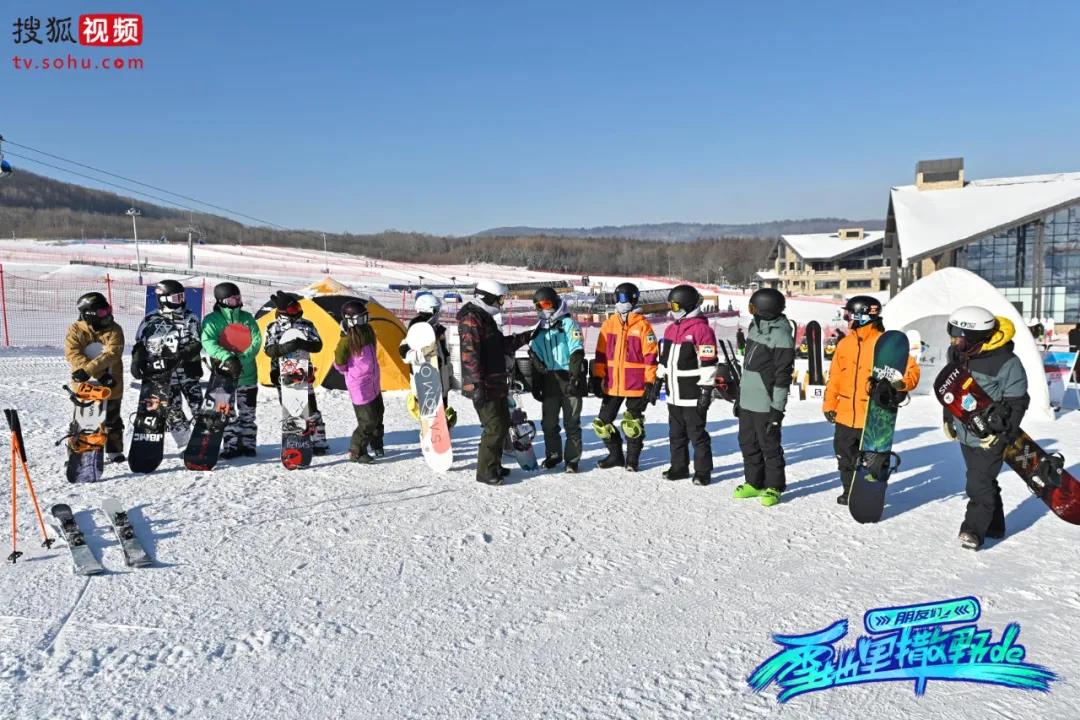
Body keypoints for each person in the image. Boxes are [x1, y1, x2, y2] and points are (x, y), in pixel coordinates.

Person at [943, 307, 1029, 550]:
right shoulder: (957, 354)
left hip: (991, 435)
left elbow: (1018, 402)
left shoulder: (1006, 362)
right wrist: (948, 419)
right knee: (984, 480)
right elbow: (951, 388)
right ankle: (995, 525)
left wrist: (1002, 435)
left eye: (959, 336)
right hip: (966, 432)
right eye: (953, 335)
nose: (954, 341)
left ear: (976, 336)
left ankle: (973, 530)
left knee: (977, 484)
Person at [823, 296, 921, 504]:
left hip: (873, 414)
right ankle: (849, 490)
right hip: (845, 414)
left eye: (849, 314)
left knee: (871, 460)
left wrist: (900, 385)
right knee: (844, 455)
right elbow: (835, 378)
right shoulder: (844, 344)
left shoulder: (886, 344)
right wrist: (829, 404)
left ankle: (870, 490)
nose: (847, 319)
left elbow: (911, 371)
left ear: (862, 315)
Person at [457, 279, 533, 485]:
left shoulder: (485, 318)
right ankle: (485, 472)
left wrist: (526, 336)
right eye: (500, 299)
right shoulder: (471, 319)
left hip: (496, 382)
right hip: (484, 385)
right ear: (488, 298)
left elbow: (499, 346)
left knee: (502, 424)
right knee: (494, 427)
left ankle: (495, 464)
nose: (502, 303)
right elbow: (470, 355)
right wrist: (476, 385)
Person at [732, 288, 794, 506]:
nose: (751, 311)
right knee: (747, 443)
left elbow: (782, 376)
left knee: (769, 446)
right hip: (748, 400)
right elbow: (747, 369)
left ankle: (774, 486)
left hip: (766, 403)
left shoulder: (781, 335)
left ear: (765, 309)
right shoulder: (754, 327)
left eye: (754, 307)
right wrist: (740, 397)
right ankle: (754, 483)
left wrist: (777, 409)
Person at [651, 284, 718, 485]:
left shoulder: (702, 330)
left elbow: (708, 362)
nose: (672, 309)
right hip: (673, 393)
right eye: (670, 305)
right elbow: (664, 360)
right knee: (676, 434)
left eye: (675, 305)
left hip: (692, 393)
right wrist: (657, 380)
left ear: (687, 305)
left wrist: (706, 389)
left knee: (697, 434)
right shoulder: (671, 329)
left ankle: (703, 471)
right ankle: (679, 467)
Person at [590, 282, 658, 472]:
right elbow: (601, 355)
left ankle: (632, 459)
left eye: (625, 298)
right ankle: (616, 455)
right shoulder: (609, 324)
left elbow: (651, 357)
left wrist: (650, 382)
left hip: (636, 384)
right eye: (618, 298)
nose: (621, 303)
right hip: (612, 384)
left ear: (633, 299)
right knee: (601, 423)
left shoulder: (643, 326)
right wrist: (597, 377)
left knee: (632, 424)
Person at [132, 280, 204, 434]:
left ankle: (204, 439)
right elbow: (141, 344)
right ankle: (185, 442)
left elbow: (197, 341)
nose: (181, 301)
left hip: (188, 370)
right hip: (165, 374)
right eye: (176, 298)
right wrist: (137, 360)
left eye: (182, 297)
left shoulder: (190, 317)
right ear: (163, 299)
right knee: (172, 409)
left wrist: (182, 353)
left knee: (198, 406)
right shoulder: (151, 319)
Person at [262, 291, 329, 455]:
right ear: (284, 311)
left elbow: (318, 345)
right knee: (291, 408)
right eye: (293, 309)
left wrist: (302, 344)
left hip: (303, 371)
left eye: (298, 307)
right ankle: (295, 438)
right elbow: (269, 349)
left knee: (311, 407)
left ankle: (318, 440)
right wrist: (284, 348)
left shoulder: (306, 324)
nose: (297, 311)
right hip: (282, 372)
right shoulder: (273, 327)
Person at [201, 282, 262, 459]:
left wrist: (241, 359)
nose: (236, 301)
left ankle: (248, 445)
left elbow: (256, 341)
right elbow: (208, 342)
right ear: (221, 301)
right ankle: (231, 446)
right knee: (226, 413)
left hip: (248, 375)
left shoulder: (247, 318)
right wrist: (228, 358)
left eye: (238, 298)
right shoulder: (212, 320)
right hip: (223, 375)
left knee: (248, 413)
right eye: (232, 299)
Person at [528, 286, 586, 473]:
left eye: (546, 304)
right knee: (549, 423)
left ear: (554, 303)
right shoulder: (538, 329)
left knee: (572, 423)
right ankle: (553, 455)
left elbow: (576, 350)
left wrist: (575, 377)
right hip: (550, 380)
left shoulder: (568, 324)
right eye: (539, 306)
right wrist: (536, 384)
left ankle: (572, 459)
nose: (543, 309)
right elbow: (535, 357)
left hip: (568, 377)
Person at [64, 292, 126, 462]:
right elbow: (73, 354)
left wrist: (98, 373)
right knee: (84, 419)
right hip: (86, 383)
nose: (107, 315)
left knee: (112, 417)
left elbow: (113, 353)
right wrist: (97, 374)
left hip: (112, 380)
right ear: (89, 313)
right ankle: (76, 451)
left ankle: (114, 450)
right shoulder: (75, 330)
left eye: (107, 310)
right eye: (102, 312)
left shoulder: (114, 329)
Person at [399, 291, 457, 439]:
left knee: (443, 416)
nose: (439, 315)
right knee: (431, 417)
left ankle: (442, 441)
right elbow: (404, 354)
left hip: (441, 383)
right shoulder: (416, 330)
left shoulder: (437, 329)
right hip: (427, 385)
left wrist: (451, 376)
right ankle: (429, 437)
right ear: (429, 310)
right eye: (437, 311)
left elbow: (444, 357)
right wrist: (423, 353)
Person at [334, 300, 384, 463]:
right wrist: (355, 373)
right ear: (350, 320)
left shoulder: (368, 331)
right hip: (360, 385)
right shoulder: (347, 339)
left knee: (378, 414)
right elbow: (340, 362)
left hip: (373, 381)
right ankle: (357, 451)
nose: (364, 322)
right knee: (367, 420)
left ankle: (376, 443)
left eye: (366, 318)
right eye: (360, 319)